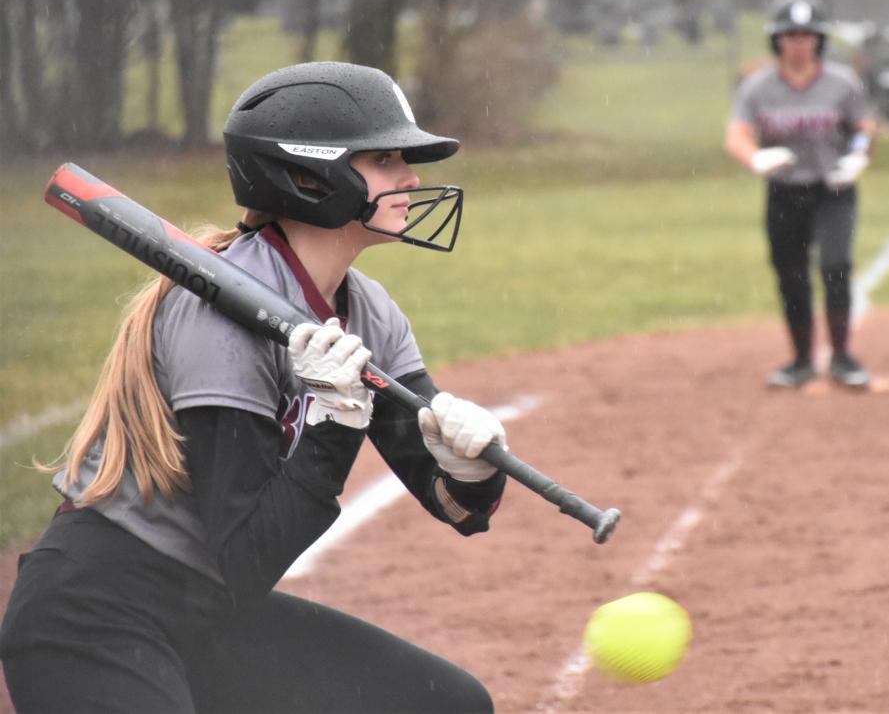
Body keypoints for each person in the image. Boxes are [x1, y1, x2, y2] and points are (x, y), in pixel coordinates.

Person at [0, 62, 509, 713]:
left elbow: (457, 509)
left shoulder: (370, 314)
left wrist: (471, 470)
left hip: (207, 613)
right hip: (96, 617)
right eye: (385, 158)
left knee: (447, 703)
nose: (411, 177)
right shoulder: (220, 315)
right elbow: (244, 558)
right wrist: (331, 431)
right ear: (308, 176)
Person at [724, 0, 877, 389]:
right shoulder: (759, 87)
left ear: (819, 40)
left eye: (807, 35)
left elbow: (864, 127)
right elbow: (737, 133)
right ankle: (801, 361)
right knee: (790, 274)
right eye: (790, 35)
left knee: (835, 266)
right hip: (785, 193)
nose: (799, 43)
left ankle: (843, 358)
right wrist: (755, 158)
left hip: (833, 189)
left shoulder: (842, 83)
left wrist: (858, 157)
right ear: (777, 40)